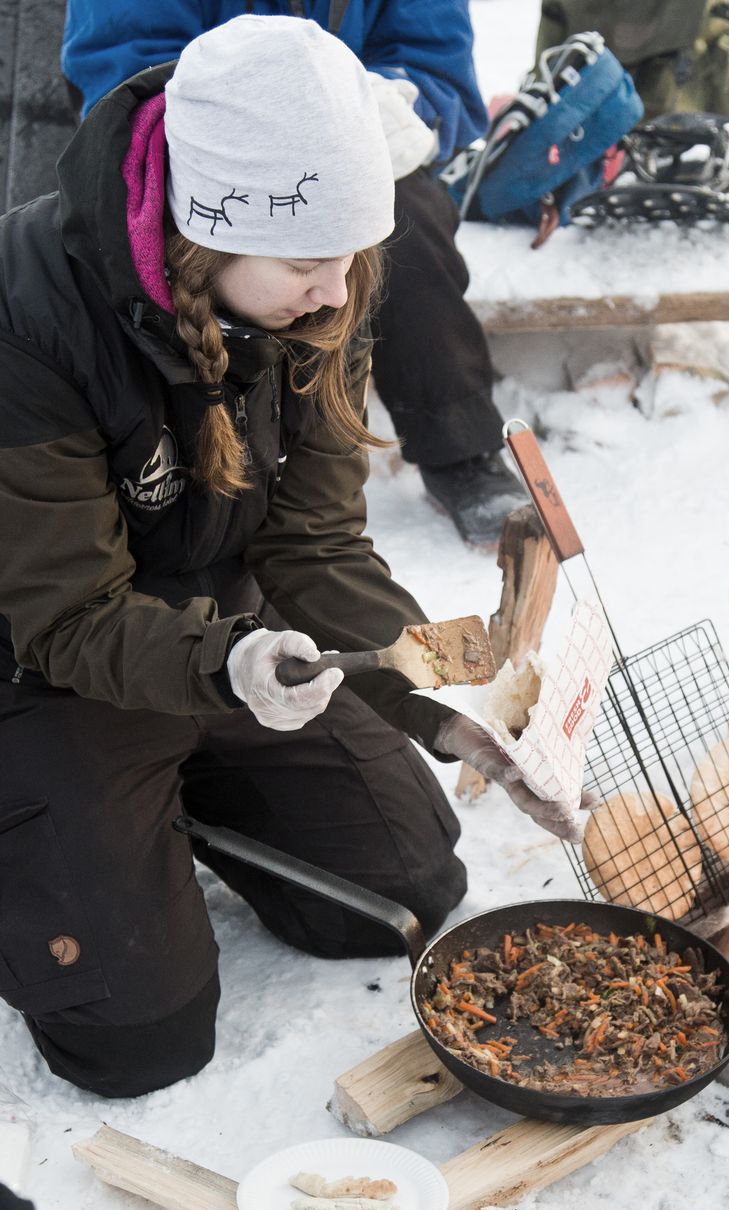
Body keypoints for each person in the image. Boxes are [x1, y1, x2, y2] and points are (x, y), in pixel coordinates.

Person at [0, 14, 580, 1100]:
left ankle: (166, 798)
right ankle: (76, 818)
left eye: (350, 258)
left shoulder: (322, 285)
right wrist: (225, 666)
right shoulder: (27, 312)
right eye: (310, 262)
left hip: (225, 640)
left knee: (412, 876)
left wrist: (436, 698)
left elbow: (314, 540)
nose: (335, 290)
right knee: (136, 1040)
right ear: (201, 229)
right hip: (52, 670)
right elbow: (66, 614)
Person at [61, 0, 531, 546]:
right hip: (207, 154)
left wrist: (398, 105)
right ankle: (189, 454)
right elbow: (120, 62)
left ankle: (454, 440)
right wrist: (270, 117)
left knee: (403, 234)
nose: (333, 294)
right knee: (247, 264)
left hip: (361, 145)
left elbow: (438, 61)